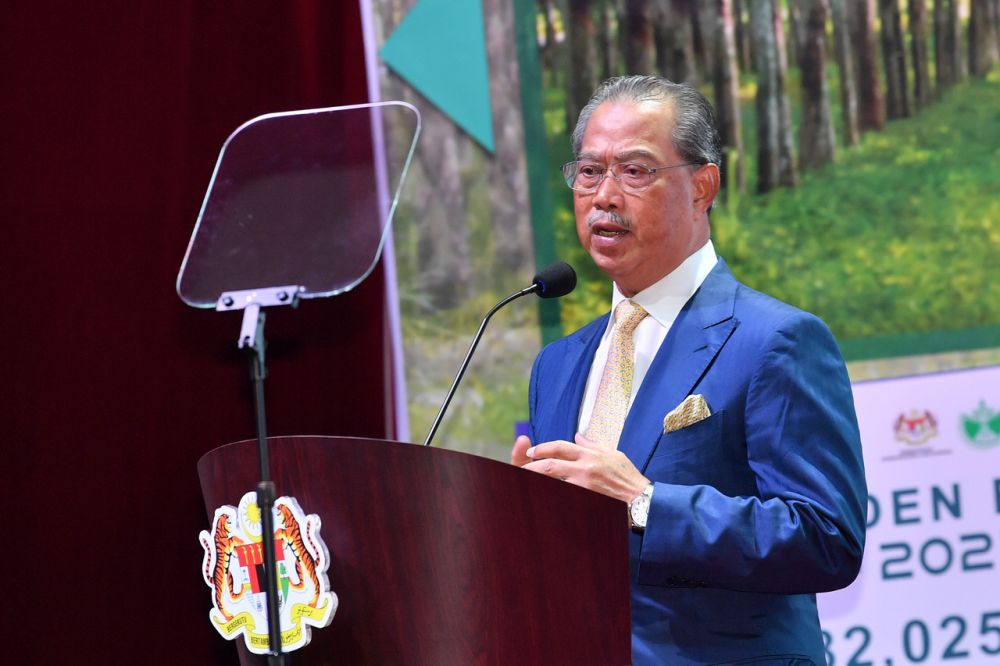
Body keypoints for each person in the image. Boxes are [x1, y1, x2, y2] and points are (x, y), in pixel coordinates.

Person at [511, 76, 867, 665]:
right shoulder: (558, 364)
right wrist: (518, 513)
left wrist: (647, 502)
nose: (604, 196)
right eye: (590, 172)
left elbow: (826, 538)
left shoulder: (774, 340)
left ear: (702, 187)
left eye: (635, 171)